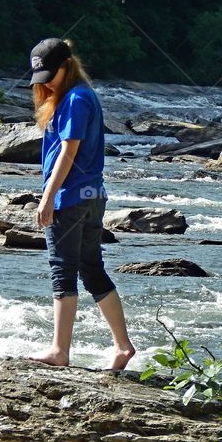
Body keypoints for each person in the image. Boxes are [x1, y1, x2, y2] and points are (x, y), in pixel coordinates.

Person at [27, 37, 135, 371]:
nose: (44, 82)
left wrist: (47, 198)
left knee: (63, 272)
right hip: (92, 197)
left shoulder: (74, 99)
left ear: (66, 66)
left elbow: (68, 151)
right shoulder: (83, 96)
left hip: (69, 198)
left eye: (49, 74)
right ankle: (123, 346)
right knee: (91, 269)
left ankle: (60, 350)